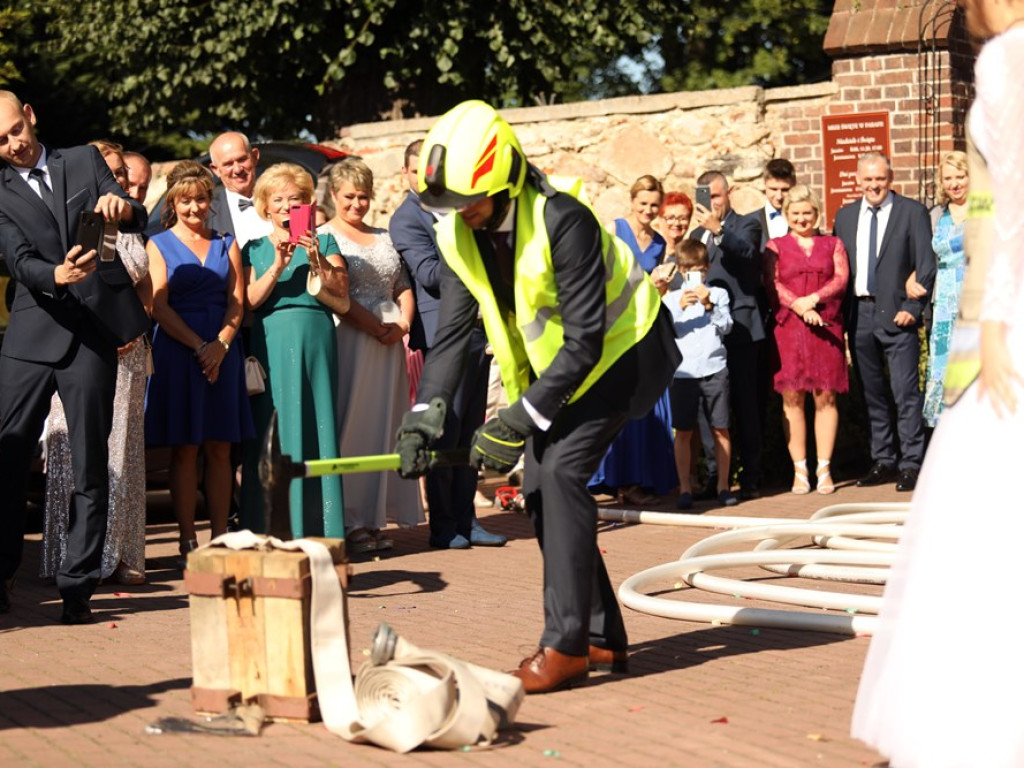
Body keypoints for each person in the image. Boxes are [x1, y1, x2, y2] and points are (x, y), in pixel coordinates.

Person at [395, 100, 680, 693]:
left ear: (505, 181)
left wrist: (514, 421)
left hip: (625, 352)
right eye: (447, 204)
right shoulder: (459, 233)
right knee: (540, 487)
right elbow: (451, 337)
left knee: (560, 476)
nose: (458, 215)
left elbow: (584, 342)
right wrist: (425, 414)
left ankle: (567, 645)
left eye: (468, 201)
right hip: (568, 372)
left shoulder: (564, 219)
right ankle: (602, 639)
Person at [852, 4, 1024, 765]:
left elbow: (996, 223)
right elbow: (992, 223)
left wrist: (990, 323)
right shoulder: (996, 68)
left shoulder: (1000, 64)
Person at [0, 91, 150, 623]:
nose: (12, 145)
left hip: (92, 334)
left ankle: (77, 587)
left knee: (91, 463)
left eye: (15, 130)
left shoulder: (84, 159)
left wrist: (122, 207)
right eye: (0, 141)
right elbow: (17, 258)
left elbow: (137, 215)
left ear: (31, 116)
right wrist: (55, 274)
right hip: (30, 339)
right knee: (7, 458)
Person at [41, 140, 153, 586]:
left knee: (125, 453)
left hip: (132, 349)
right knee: (83, 454)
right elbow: (92, 285)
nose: (118, 180)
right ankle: (73, 554)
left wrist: (137, 329)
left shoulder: (132, 228)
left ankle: (121, 553)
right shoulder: (86, 227)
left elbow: (144, 289)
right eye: (111, 173)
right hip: (91, 347)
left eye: (122, 174)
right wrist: (113, 333)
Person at [389, 139, 505, 548]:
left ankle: (467, 520)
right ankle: (443, 527)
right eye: (418, 171)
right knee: (445, 430)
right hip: (444, 337)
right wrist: (476, 254)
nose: (426, 179)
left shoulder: (458, 209)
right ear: (406, 174)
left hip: (478, 330)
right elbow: (429, 273)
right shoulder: (406, 219)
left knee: (471, 430)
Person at [144, 161, 254, 565]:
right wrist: (198, 346)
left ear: (211, 201)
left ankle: (222, 536)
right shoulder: (157, 244)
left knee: (222, 447)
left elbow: (237, 301)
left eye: (202, 199)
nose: (194, 208)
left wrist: (221, 345)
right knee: (186, 448)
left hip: (222, 353)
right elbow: (157, 304)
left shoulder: (228, 242)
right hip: (179, 351)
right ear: (173, 202)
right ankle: (187, 538)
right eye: (186, 200)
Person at [319, 157, 423, 554]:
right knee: (352, 425)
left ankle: (376, 517)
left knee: (385, 426)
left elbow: (401, 284)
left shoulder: (383, 236)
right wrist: (374, 327)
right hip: (348, 338)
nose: (357, 204)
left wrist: (402, 325)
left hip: (389, 342)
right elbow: (334, 294)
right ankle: (348, 519)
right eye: (349, 196)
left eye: (364, 197)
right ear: (334, 195)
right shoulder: (324, 235)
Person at [239, 163, 348, 538]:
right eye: (279, 199)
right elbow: (249, 302)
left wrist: (315, 256)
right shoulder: (253, 248)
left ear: (308, 204)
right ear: (266, 206)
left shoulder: (326, 241)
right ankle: (269, 524)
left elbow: (342, 292)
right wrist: (279, 265)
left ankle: (324, 526)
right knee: (273, 429)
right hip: (270, 340)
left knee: (318, 427)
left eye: (295, 199)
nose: (287, 206)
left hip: (316, 337)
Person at [833, 152, 935, 492]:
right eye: (868, 179)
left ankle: (911, 463)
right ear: (858, 180)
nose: (874, 185)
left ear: (890, 179)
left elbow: (925, 263)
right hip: (858, 315)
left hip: (898, 314)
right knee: (872, 393)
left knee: (905, 392)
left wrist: (913, 305)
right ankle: (883, 459)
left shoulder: (912, 212)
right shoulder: (845, 217)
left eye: (880, 179)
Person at [589, 175, 677, 505]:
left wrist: (661, 287)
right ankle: (611, 478)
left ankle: (636, 480)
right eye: (643, 203)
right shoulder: (614, 230)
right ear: (632, 201)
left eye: (654, 205)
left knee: (644, 403)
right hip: (615, 328)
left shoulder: (659, 243)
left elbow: (655, 291)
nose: (648, 210)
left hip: (645, 327)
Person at [765, 185, 849, 495]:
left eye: (807, 212)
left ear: (816, 213)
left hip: (825, 326)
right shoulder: (775, 246)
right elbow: (771, 282)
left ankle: (824, 468)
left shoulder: (833, 244)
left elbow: (840, 279)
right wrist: (798, 305)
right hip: (789, 329)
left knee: (826, 396)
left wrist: (812, 298)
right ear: (787, 214)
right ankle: (799, 471)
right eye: (795, 213)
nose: (802, 218)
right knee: (792, 398)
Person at [689, 170, 766, 499]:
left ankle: (751, 476)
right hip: (707, 335)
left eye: (717, 197)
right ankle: (714, 477)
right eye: (707, 198)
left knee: (748, 405)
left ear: (728, 193)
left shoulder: (746, 225)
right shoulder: (695, 234)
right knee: (710, 410)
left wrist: (718, 230)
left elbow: (749, 255)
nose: (712, 203)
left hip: (742, 329)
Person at [663, 240, 736, 510]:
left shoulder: (718, 294)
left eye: (699, 270)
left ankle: (723, 487)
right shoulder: (671, 300)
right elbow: (663, 331)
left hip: (714, 369)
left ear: (707, 268)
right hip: (683, 374)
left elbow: (727, 326)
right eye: (688, 270)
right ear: (681, 271)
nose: (695, 275)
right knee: (683, 431)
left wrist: (708, 305)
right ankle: (684, 488)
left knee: (720, 428)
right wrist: (679, 306)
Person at [920, 151, 969, 427]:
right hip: (944, 304)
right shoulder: (936, 214)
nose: (954, 183)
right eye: (948, 178)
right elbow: (925, 258)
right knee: (945, 366)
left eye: (960, 176)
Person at [207, 131, 271, 249]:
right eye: (228, 164)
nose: (237, 169)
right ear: (215, 170)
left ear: (255, 156)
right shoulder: (206, 214)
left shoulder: (282, 200)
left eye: (242, 159)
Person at [748, 158, 797, 252]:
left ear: (794, 186)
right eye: (773, 189)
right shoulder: (750, 221)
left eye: (785, 190)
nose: (779, 196)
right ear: (764, 185)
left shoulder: (804, 222)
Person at [653, 190, 693, 263]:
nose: (677, 223)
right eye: (671, 218)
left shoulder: (693, 255)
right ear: (660, 219)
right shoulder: (651, 250)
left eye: (683, 218)